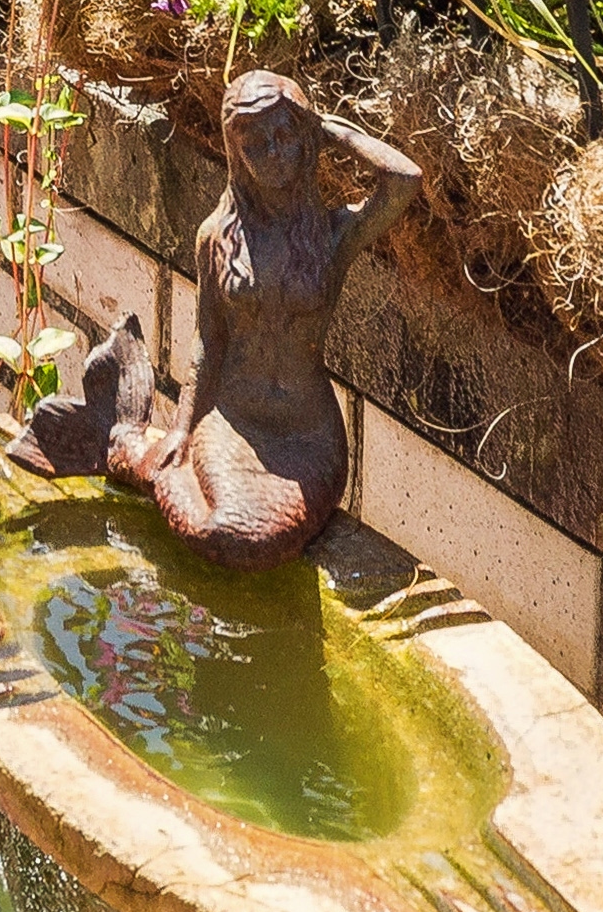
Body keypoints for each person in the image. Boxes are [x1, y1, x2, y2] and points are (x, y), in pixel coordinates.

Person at [106, 67, 426, 563]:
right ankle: (142, 449)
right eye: (255, 144)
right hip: (231, 420)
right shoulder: (216, 236)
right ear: (238, 156)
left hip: (308, 436)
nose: (274, 155)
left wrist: (327, 130)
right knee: (224, 533)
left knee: (251, 537)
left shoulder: (332, 235)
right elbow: (208, 340)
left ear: (304, 136)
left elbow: (405, 180)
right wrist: (181, 429)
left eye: (285, 136)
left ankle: (133, 451)